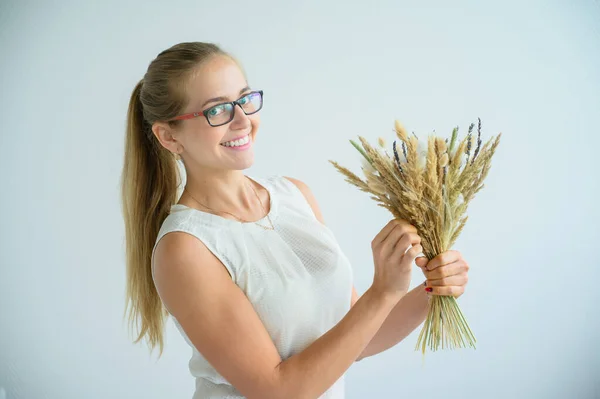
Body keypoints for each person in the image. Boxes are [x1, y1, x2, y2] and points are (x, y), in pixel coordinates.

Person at [120, 41, 470, 399]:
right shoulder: (186, 248)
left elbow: (357, 339)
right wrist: (382, 293)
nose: (243, 120)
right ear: (168, 135)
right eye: (218, 110)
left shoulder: (295, 196)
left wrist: (433, 288)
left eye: (244, 100)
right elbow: (278, 391)